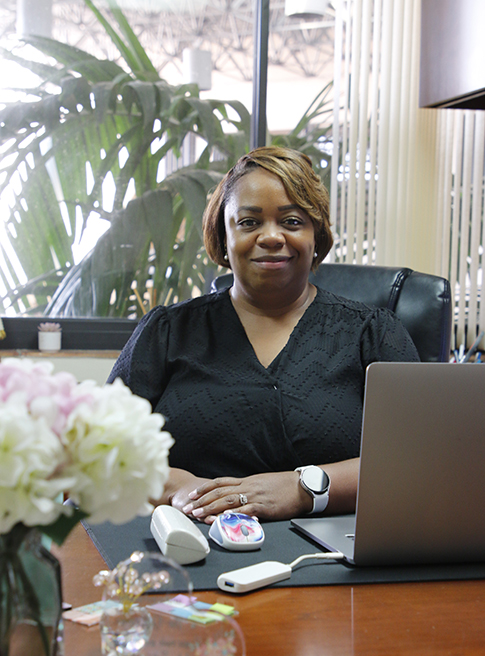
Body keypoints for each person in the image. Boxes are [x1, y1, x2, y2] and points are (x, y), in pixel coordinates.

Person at [108, 146, 419, 524]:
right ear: (224, 237)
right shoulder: (167, 332)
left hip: (338, 562)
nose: (271, 237)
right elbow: (96, 453)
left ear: (316, 236)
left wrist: (304, 488)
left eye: (291, 221)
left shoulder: (372, 333)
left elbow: (417, 462)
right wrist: (177, 487)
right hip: (184, 547)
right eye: (249, 222)